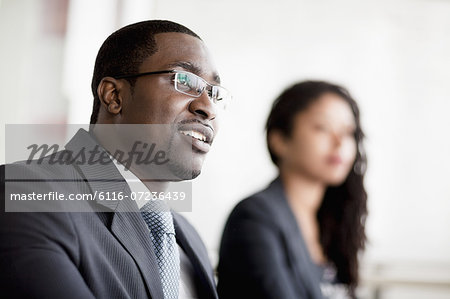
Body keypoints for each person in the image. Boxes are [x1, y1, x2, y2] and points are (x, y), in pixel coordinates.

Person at [0, 20, 231, 298]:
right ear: (114, 96)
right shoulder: (26, 194)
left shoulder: (186, 236)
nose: (208, 107)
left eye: (214, 93)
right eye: (184, 80)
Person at [218, 81, 367, 299]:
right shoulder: (254, 217)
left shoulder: (332, 222)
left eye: (348, 131)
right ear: (279, 140)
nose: (340, 142)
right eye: (322, 128)